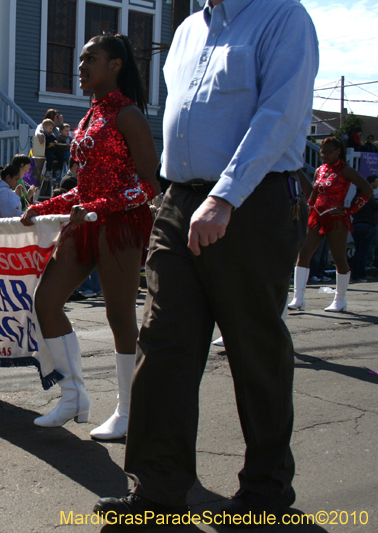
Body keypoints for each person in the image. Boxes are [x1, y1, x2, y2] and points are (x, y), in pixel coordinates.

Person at [94, 0, 319, 522]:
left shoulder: (283, 17)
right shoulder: (188, 31)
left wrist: (226, 196)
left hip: (251, 202)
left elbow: (281, 115)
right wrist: (170, 196)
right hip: (179, 200)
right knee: (164, 343)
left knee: (253, 348)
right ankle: (157, 491)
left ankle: (265, 493)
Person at [21, 33, 160, 439]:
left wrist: (103, 209)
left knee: (119, 316)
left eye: (90, 60)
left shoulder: (128, 114)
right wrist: (43, 207)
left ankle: (129, 410)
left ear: (115, 65)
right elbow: (82, 188)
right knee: (45, 301)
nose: (80, 67)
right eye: (80, 60)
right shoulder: (88, 116)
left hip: (119, 228)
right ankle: (72, 396)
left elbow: (150, 185)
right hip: (84, 224)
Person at [288, 137, 375, 311]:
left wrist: (349, 210)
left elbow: (367, 190)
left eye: (328, 152)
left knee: (339, 258)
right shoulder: (320, 170)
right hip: (317, 216)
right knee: (304, 254)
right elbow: (313, 194)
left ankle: (340, 300)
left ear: (338, 151)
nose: (324, 155)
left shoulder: (346, 170)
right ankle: (298, 298)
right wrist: (309, 208)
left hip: (336, 219)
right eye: (322, 152)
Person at [351, 175, 378, 281]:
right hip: (366, 226)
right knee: (363, 251)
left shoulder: (356, 198)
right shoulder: (367, 198)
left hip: (356, 225)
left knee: (358, 251)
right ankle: (360, 274)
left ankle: (355, 273)